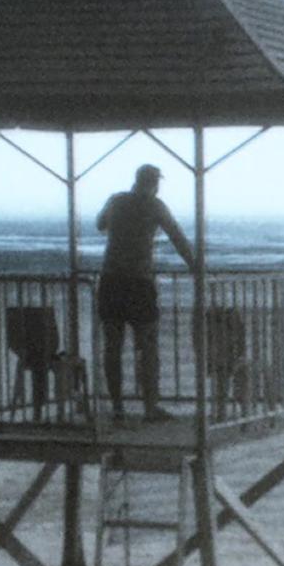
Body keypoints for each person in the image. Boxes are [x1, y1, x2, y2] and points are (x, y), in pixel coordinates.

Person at [96, 164, 196, 421]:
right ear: (154, 183)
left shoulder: (116, 200)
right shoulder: (155, 206)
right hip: (139, 282)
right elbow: (177, 237)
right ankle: (150, 407)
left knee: (113, 348)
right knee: (147, 347)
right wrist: (195, 266)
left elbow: (100, 224)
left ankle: (118, 406)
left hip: (110, 281)